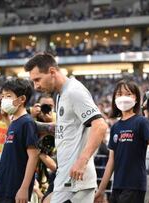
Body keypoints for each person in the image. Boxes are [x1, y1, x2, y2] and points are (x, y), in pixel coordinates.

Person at [25, 53, 108, 203]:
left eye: (37, 80)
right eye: (33, 81)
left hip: (77, 180)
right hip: (64, 176)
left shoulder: (74, 91)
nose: (36, 86)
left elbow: (100, 125)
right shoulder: (61, 95)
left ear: (52, 72)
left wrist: (82, 161)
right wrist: (34, 125)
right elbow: (67, 129)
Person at [94, 80, 149, 203]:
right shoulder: (115, 127)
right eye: (119, 94)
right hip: (117, 186)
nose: (123, 97)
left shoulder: (141, 122)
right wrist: (101, 190)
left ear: (136, 98)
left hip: (135, 186)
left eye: (128, 94)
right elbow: (111, 160)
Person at [0, 78, 39, 203]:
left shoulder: (27, 123)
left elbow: (33, 157)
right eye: (2, 96)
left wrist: (24, 188)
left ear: (22, 99)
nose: (3, 99)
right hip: (2, 188)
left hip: (15, 190)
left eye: (8, 96)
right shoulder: (13, 122)